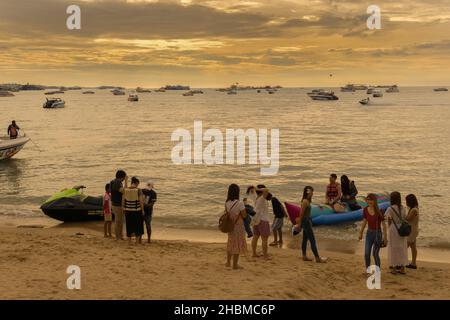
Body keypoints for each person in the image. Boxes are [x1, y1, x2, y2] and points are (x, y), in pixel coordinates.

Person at [359, 193, 387, 273]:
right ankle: (368, 271)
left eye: (371, 200)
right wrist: (360, 233)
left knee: (375, 254)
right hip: (369, 234)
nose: (369, 201)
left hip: (377, 234)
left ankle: (378, 272)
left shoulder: (379, 211)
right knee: (366, 254)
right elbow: (364, 222)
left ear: (374, 201)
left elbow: (384, 225)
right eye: (368, 200)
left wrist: (385, 238)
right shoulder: (365, 210)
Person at [298, 186, 327, 263]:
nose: (312, 193)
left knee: (305, 239)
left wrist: (319, 206)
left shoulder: (306, 201)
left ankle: (304, 256)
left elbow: (306, 210)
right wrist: (299, 224)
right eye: (311, 192)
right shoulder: (305, 201)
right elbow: (301, 214)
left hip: (306, 221)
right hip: (306, 222)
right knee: (312, 240)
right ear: (307, 192)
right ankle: (317, 258)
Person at [225, 184, 247, 270]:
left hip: (230, 225)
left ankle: (228, 262)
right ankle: (235, 265)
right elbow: (244, 215)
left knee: (230, 242)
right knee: (237, 244)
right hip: (238, 226)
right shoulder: (240, 203)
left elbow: (227, 214)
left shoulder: (227, 203)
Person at [385, 191, 408, 275]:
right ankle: (402, 268)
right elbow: (405, 218)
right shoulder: (403, 208)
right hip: (401, 229)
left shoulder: (390, 208)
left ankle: (394, 268)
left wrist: (389, 229)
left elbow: (389, 221)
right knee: (402, 248)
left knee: (393, 248)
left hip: (393, 229)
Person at [122, 177, 145, 245]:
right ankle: (136, 242)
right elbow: (141, 201)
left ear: (131, 183)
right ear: (136, 183)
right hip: (137, 210)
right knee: (138, 226)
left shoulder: (126, 190)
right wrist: (143, 210)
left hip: (128, 210)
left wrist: (123, 208)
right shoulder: (138, 190)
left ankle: (129, 242)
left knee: (129, 225)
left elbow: (123, 200)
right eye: (138, 184)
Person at [251, 185, 271, 259]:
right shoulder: (262, 198)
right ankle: (265, 256)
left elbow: (252, 190)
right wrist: (258, 189)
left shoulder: (256, 198)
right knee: (264, 239)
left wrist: (256, 189)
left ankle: (254, 253)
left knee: (255, 237)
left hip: (256, 220)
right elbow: (266, 189)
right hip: (263, 220)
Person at [110, 170, 128, 240]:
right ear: (122, 177)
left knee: (120, 221)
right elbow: (124, 191)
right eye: (124, 177)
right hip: (118, 204)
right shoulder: (117, 183)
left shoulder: (112, 181)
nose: (124, 179)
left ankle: (120, 236)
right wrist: (126, 182)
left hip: (114, 203)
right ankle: (118, 237)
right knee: (118, 221)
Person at [405, 194, 419, 269]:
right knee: (413, 247)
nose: (406, 202)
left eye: (407, 201)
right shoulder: (415, 208)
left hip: (412, 231)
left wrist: (402, 215)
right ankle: (413, 263)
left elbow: (408, 219)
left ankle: (401, 262)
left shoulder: (413, 210)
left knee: (405, 246)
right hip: (414, 230)